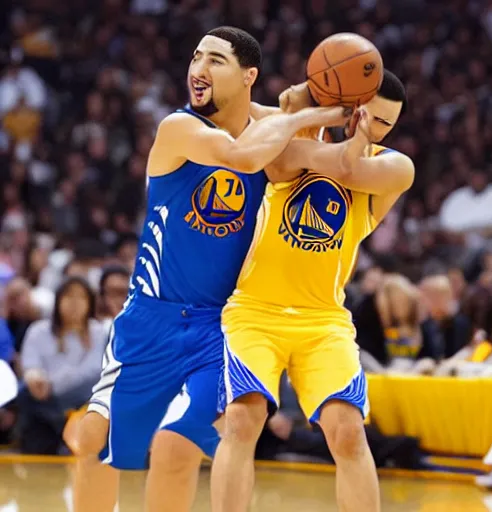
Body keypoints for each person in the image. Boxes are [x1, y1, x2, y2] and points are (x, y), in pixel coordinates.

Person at [70, 26, 345, 512]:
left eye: (215, 60)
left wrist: (318, 113)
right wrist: (312, 112)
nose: (198, 69)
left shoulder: (271, 125)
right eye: (196, 57)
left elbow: (296, 162)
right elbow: (242, 155)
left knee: (181, 448)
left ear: (248, 76)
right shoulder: (178, 128)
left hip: (221, 326)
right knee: (99, 442)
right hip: (152, 316)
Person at [211, 70, 414, 512]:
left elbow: (346, 166)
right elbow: (279, 164)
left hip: (323, 320)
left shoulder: (396, 166)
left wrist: (317, 128)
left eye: (385, 124)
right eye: (369, 115)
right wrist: (308, 106)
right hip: (254, 311)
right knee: (243, 421)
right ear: (351, 103)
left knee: (348, 432)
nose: (374, 127)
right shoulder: (300, 130)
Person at [19, 276, 103, 454]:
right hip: (44, 402)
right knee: (26, 394)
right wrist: (35, 378)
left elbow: (94, 370)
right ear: (58, 300)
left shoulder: (99, 332)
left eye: (81, 297)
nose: (74, 303)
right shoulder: (38, 330)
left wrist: (53, 385)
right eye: (68, 296)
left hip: (83, 402)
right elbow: (30, 365)